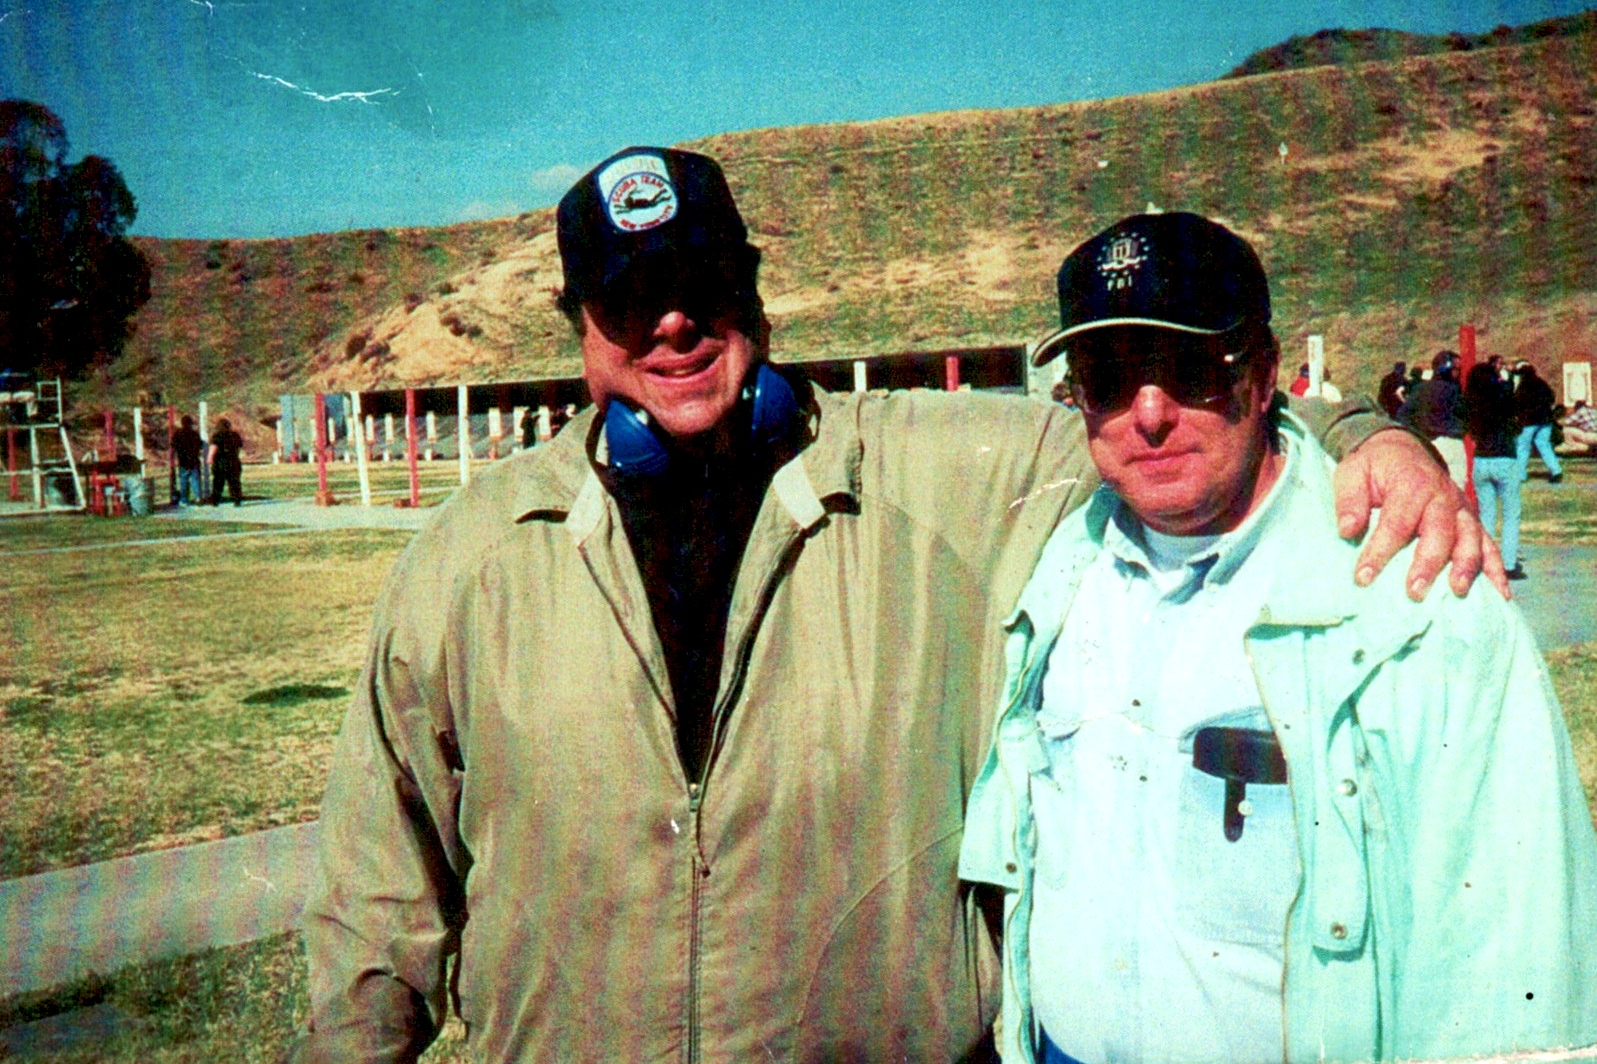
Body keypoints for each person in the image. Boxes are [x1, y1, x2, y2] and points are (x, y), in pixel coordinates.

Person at [294, 149, 1494, 1064]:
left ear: (753, 295)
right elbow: (378, 883)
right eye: (628, 298)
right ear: (579, 328)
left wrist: (1365, 432)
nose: (669, 322)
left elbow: (1160, 421)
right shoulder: (467, 556)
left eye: (696, 283)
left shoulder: (944, 469)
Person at [959, 212, 1597, 1064]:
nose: (1147, 414)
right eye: (1108, 379)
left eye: (1190, 370)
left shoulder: (1421, 602)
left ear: (1263, 378)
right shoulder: (1057, 560)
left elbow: (1512, 982)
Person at [1467, 360, 1526, 580]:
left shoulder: (1472, 401)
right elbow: (1516, 416)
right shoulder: (1502, 396)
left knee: (1486, 514)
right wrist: (1507, 380)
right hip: (1504, 457)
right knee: (1511, 513)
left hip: (1481, 459)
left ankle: (1484, 560)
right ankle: (1508, 564)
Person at [1398, 348, 1466, 485]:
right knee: (1456, 494)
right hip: (1452, 444)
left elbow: (1402, 415)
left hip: (1428, 445)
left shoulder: (1421, 389)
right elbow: (1467, 415)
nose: (1458, 373)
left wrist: (1418, 434)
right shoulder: (1454, 390)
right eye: (1456, 369)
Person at [1514, 360, 1565, 484]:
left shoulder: (1523, 386)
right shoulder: (1542, 383)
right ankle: (1556, 471)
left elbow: (1517, 403)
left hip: (1529, 421)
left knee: (1523, 447)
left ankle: (1520, 475)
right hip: (1545, 420)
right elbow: (1552, 397)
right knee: (1544, 445)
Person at [207, 417, 244, 506]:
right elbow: (239, 447)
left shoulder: (217, 436)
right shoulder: (235, 435)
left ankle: (215, 500)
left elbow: (214, 447)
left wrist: (209, 458)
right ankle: (237, 500)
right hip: (233, 461)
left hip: (220, 462)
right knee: (234, 482)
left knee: (218, 482)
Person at [171, 414, 204, 505]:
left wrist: (172, 459)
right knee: (195, 479)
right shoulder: (194, 434)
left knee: (184, 480)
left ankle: (184, 499)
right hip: (194, 460)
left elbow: (173, 448)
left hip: (183, 461)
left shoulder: (178, 434)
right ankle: (198, 497)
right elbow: (201, 445)